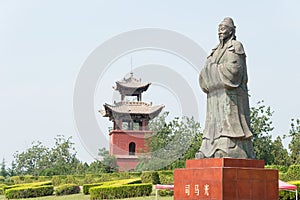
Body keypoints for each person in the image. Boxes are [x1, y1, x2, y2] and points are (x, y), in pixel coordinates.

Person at [195, 17, 255, 159]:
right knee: (212, 122)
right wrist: (210, 72)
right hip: (215, 96)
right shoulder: (215, 51)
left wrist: (212, 70)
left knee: (229, 119)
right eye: (219, 29)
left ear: (232, 30)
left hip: (232, 96)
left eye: (223, 28)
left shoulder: (236, 46)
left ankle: (231, 146)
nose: (220, 31)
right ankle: (208, 146)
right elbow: (204, 73)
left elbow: (234, 72)